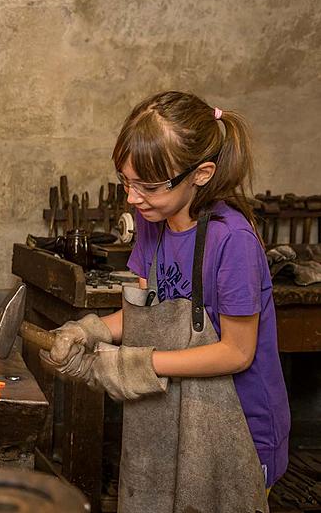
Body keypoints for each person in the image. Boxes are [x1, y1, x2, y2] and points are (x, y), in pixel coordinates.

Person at [42, 91, 290, 513]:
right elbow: (148, 313)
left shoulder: (231, 241)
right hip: (173, 413)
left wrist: (137, 364)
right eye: (126, 182)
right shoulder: (152, 219)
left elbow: (237, 352)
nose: (133, 198)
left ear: (201, 173)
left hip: (239, 423)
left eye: (149, 186)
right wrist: (90, 329)